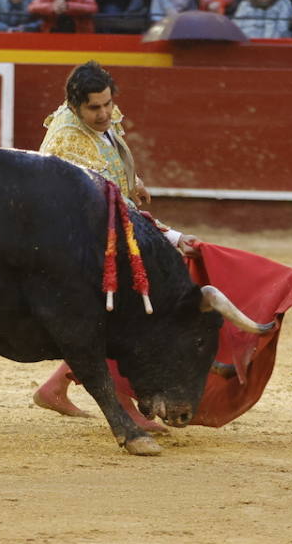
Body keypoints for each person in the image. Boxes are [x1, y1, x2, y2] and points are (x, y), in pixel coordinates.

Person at [31, 61, 201, 429]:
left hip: (101, 234)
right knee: (121, 314)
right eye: (95, 108)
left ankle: (56, 386)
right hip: (76, 244)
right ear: (73, 106)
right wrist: (170, 236)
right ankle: (120, 404)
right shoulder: (68, 140)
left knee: (111, 316)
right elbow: (112, 202)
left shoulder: (98, 117)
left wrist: (132, 178)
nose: (105, 113)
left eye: (108, 104)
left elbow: (110, 158)